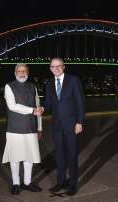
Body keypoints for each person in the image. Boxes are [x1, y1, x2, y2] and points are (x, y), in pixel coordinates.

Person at [43, 57, 85, 196]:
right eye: (53, 66)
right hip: (56, 126)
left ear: (64, 66)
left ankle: (73, 184)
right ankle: (60, 182)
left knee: (72, 155)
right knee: (59, 155)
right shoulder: (49, 83)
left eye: (58, 66)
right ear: (50, 69)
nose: (56, 68)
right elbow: (48, 104)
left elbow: (80, 102)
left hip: (72, 125)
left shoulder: (73, 80)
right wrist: (41, 109)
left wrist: (80, 122)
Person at [2, 63, 43, 195]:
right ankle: (15, 183)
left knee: (29, 156)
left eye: (24, 71)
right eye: (19, 71)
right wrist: (31, 111)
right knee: (15, 157)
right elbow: (12, 106)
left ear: (28, 72)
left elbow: (38, 106)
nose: (22, 73)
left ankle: (27, 182)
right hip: (15, 128)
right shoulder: (9, 86)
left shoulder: (33, 87)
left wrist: (40, 127)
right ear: (15, 73)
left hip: (31, 127)